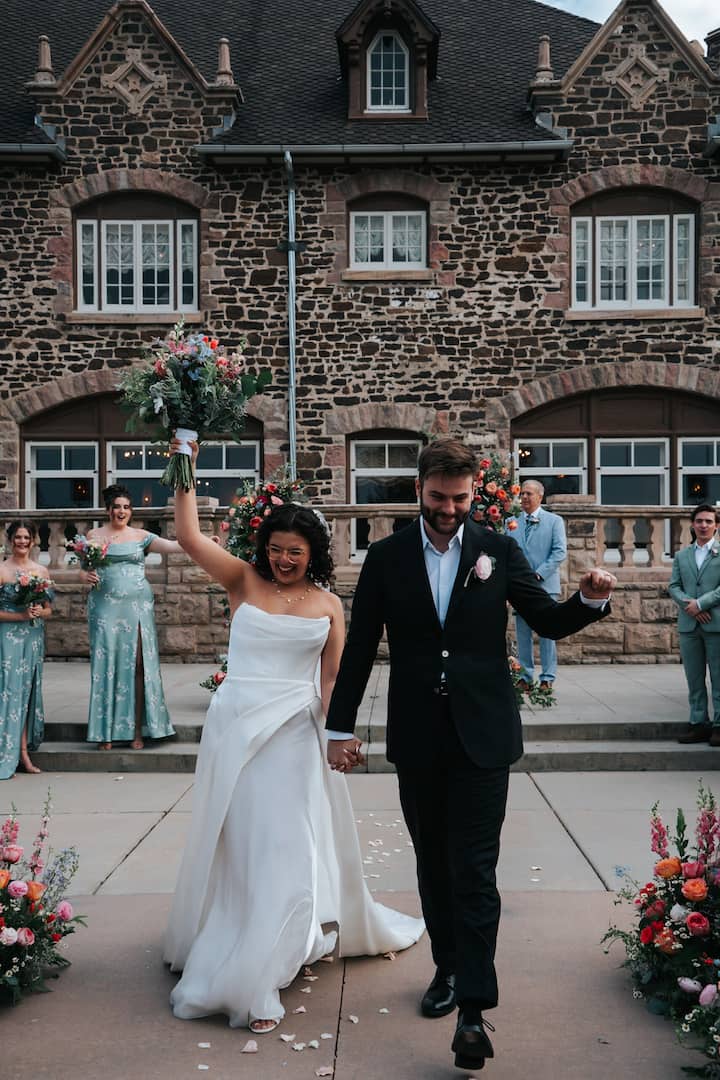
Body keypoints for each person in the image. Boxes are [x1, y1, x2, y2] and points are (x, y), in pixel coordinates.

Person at [325, 437, 615, 1072]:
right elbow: (361, 645)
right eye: (438, 497)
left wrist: (590, 599)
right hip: (418, 737)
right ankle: (448, 969)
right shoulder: (387, 557)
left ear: (473, 491)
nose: (449, 509)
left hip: (483, 735)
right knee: (434, 864)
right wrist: (338, 726)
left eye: (460, 498)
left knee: (476, 871)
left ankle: (474, 1012)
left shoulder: (498, 550)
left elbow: (546, 620)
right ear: (418, 489)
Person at [163, 439, 423, 1033]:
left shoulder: (329, 605)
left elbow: (331, 678)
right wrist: (185, 459)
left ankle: (265, 966)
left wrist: (340, 735)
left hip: (295, 737)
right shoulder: (242, 580)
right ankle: (235, 940)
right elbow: (189, 535)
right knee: (245, 846)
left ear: (313, 554)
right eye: (276, 549)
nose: (283, 560)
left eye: (295, 552)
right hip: (238, 730)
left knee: (288, 846)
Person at [80, 484, 179, 750]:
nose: (121, 511)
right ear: (108, 510)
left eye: (126, 507)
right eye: (116, 507)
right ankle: (105, 733)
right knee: (107, 666)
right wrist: (85, 575)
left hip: (137, 607)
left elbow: (174, 546)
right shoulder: (94, 536)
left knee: (138, 666)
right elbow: (83, 568)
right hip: (104, 607)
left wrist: (205, 543)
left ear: (131, 511)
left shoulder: (141, 536)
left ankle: (137, 731)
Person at [0, 520, 53, 779]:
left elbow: (49, 609)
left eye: (26, 537)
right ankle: (8, 753)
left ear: (33, 541)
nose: (22, 542)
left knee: (26, 692)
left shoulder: (40, 570)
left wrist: (38, 612)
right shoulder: (2, 570)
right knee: (9, 691)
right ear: (10, 540)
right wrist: (20, 616)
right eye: (18, 537)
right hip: (7, 637)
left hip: (32, 637)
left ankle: (23, 753)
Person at [668, 503, 720, 745]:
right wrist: (690, 605)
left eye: (709, 521)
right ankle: (698, 723)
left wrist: (701, 604)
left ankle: (719, 725)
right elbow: (674, 586)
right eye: (699, 521)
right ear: (692, 524)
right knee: (694, 678)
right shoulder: (682, 555)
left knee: (718, 677)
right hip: (689, 625)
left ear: (716, 526)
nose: (703, 525)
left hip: (715, 624)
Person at [510, 479, 567, 692]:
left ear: (540, 496)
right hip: (520, 589)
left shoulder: (554, 521)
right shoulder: (511, 522)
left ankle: (547, 678)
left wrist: (538, 574)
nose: (524, 497)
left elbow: (559, 552)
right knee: (523, 635)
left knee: (547, 634)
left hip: (546, 587)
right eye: (522, 493)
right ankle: (525, 677)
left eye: (529, 493)